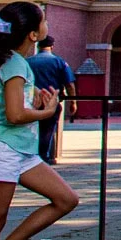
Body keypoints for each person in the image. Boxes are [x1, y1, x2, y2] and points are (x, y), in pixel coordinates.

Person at [0, 1, 79, 240]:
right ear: (33, 34)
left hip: (21, 151)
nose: (46, 25)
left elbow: (16, 106)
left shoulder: (13, 61)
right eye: (43, 21)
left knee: (66, 199)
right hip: (2, 148)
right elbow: (15, 115)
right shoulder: (15, 64)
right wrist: (48, 112)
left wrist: (37, 103)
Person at [28, 37, 76, 165]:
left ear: (38, 46)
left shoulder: (27, 62)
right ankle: (43, 158)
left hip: (31, 102)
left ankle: (31, 156)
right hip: (51, 101)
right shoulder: (58, 61)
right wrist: (73, 102)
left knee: (32, 130)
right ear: (52, 46)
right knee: (47, 131)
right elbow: (69, 84)